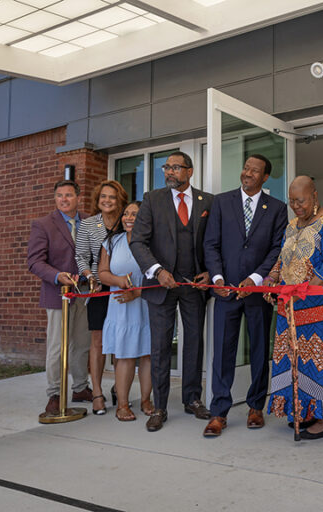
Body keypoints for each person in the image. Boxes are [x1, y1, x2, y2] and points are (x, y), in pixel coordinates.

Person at [202, 155, 287, 437]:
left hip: (257, 293)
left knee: (261, 352)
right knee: (222, 354)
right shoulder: (221, 202)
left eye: (255, 171)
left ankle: (255, 407)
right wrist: (217, 278)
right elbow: (210, 244)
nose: (248, 173)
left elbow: (277, 249)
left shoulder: (276, 208)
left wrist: (255, 279)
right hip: (225, 291)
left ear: (265, 178)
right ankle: (219, 412)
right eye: (246, 168)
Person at [130, 151, 214, 432]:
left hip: (193, 286)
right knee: (161, 346)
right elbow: (138, 242)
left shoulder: (207, 202)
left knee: (193, 343)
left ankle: (192, 399)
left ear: (190, 172)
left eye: (176, 168)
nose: (169, 172)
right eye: (166, 167)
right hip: (161, 285)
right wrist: (156, 270)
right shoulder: (152, 200)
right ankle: (160, 406)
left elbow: (213, 242)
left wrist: (209, 273)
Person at [264, 176, 323, 439]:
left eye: (300, 200)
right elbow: (283, 259)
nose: (296, 206)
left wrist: (303, 288)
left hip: (320, 311)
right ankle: (304, 413)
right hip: (290, 308)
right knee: (293, 363)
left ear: (314, 196)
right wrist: (271, 279)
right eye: (291, 201)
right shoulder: (291, 226)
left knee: (319, 364)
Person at [27, 179, 92, 414]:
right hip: (58, 295)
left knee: (82, 344)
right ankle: (54, 394)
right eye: (59, 195)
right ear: (55, 199)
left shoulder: (89, 222)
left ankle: (80, 387)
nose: (64, 199)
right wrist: (57, 276)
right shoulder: (43, 224)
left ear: (77, 197)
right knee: (57, 347)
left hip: (85, 293)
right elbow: (34, 262)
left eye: (68, 195)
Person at [98, 201, 154, 422]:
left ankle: (146, 401)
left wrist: (137, 292)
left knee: (148, 354)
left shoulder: (153, 243)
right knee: (124, 355)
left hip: (147, 303)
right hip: (120, 306)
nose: (129, 217)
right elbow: (102, 273)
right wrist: (119, 280)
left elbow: (161, 276)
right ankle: (122, 404)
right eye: (126, 214)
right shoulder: (111, 241)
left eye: (135, 214)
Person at [75, 180, 127, 415]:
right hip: (98, 291)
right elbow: (81, 257)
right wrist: (88, 276)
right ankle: (97, 392)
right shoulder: (87, 225)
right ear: (97, 200)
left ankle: (120, 387)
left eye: (112, 197)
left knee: (120, 342)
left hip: (123, 290)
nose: (107, 200)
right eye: (103, 197)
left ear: (120, 200)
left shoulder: (126, 222)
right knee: (98, 342)